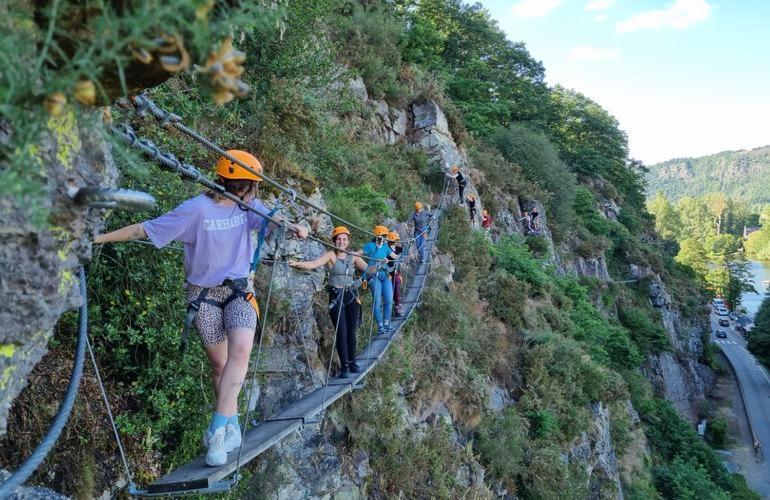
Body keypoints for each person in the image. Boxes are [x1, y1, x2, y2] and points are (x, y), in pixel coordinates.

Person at [94, 150, 309, 467]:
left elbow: (270, 217)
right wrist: (98, 239)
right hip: (203, 295)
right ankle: (231, 424)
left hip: (239, 291)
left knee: (239, 355)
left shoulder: (246, 207)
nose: (255, 191)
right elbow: (145, 229)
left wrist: (290, 225)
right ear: (243, 184)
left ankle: (216, 432)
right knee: (221, 368)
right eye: (253, 185)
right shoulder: (195, 210)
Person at [289, 226, 368, 377]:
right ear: (334, 241)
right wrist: (297, 263)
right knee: (342, 332)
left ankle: (352, 362)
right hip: (336, 297)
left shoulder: (354, 257)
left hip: (351, 296)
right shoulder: (331, 255)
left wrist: (381, 264)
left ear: (348, 241)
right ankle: (344, 365)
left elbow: (367, 268)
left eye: (344, 239)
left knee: (351, 332)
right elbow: (314, 264)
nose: (341, 242)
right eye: (339, 239)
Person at [361, 225, 399, 335]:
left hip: (385, 274)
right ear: (377, 236)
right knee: (377, 301)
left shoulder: (386, 247)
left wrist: (406, 253)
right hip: (373, 276)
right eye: (382, 236)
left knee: (388, 300)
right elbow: (358, 253)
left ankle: (387, 323)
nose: (384, 238)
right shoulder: (370, 246)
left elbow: (395, 256)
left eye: (385, 236)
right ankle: (380, 326)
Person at [387, 231, 404, 317]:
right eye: (395, 240)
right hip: (388, 271)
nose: (396, 242)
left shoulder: (397, 248)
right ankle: (396, 305)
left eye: (396, 240)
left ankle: (397, 305)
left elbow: (404, 251)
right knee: (392, 288)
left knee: (397, 285)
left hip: (396, 271)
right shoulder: (387, 248)